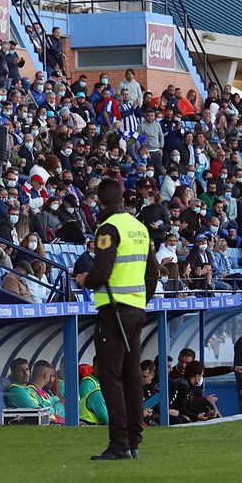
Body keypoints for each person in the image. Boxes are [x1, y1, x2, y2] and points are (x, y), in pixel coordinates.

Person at [81, 177, 154, 460]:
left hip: (113, 311)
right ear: (122, 199)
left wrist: (84, 279)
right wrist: (141, 301)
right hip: (136, 310)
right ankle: (134, 440)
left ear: (100, 202)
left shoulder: (108, 228)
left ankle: (119, 443)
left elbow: (101, 273)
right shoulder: (139, 227)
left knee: (111, 377)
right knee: (132, 376)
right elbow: (153, 273)